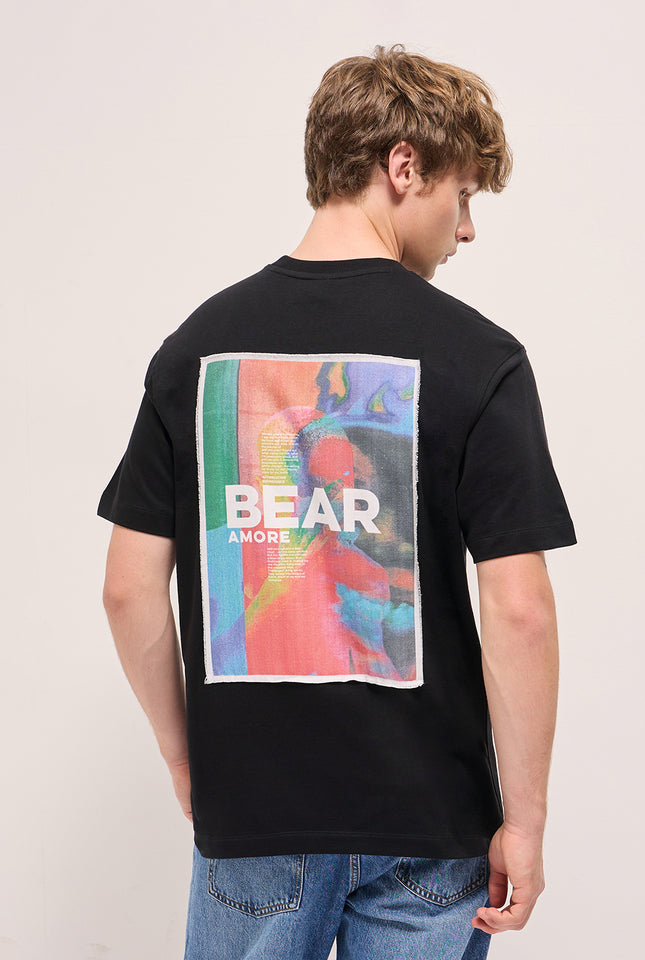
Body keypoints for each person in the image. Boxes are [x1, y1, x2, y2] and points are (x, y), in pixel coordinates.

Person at [98, 42, 577, 960]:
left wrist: (184, 755)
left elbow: (127, 590)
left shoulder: (196, 352)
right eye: (463, 195)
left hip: (255, 820)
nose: (466, 229)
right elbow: (520, 612)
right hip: (430, 826)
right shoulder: (480, 357)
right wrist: (525, 820)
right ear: (404, 166)